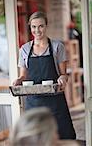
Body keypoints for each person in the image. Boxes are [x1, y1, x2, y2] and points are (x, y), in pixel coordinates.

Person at [13, 11, 76, 139]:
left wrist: (63, 78)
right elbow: (23, 76)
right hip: (34, 103)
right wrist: (18, 81)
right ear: (30, 27)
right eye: (34, 27)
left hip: (55, 103)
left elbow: (63, 74)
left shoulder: (58, 47)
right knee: (35, 138)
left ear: (46, 26)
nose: (37, 30)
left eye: (41, 26)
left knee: (61, 138)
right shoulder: (24, 49)